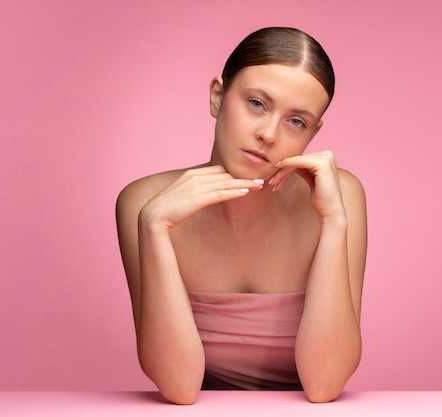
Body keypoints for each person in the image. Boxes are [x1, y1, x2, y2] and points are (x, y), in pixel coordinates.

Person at [116, 27, 367, 405]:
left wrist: (333, 222)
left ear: (313, 135)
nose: (268, 133)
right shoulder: (146, 202)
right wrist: (154, 228)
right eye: (256, 103)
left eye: (296, 121)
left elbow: (324, 384)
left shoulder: (340, 196)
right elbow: (179, 388)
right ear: (218, 96)